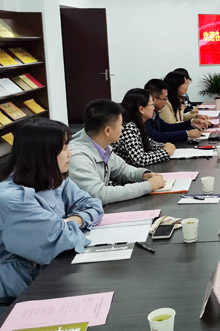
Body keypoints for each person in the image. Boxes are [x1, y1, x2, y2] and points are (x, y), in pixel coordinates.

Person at [0, 118, 103, 299]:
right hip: (18, 292)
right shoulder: (13, 200)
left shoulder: (53, 179)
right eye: (64, 148)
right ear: (43, 154)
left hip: (47, 274)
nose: (70, 154)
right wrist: (67, 226)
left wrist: (73, 220)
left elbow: (93, 205)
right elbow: (63, 240)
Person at [69, 99, 166, 205]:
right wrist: (147, 186)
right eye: (121, 125)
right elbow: (99, 194)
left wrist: (143, 175)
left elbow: (121, 169)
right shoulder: (77, 157)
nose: (122, 129)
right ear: (107, 130)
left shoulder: (101, 145)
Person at [113, 88, 176, 167]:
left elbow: (149, 143)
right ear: (141, 109)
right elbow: (140, 159)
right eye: (152, 104)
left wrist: (164, 146)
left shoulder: (138, 123)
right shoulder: (128, 127)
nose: (154, 108)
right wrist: (165, 152)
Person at [144, 78, 209, 143]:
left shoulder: (155, 112)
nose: (166, 102)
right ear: (153, 99)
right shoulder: (145, 115)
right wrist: (186, 134)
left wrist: (191, 123)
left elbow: (166, 127)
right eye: (164, 98)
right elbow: (156, 136)